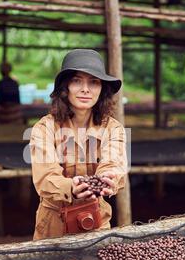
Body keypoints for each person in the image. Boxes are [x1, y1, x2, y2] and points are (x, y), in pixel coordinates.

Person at [29, 49, 128, 240]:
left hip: (96, 221)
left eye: (94, 82)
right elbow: (46, 177)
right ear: (65, 88)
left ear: (102, 89)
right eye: (77, 81)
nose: (86, 89)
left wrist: (108, 178)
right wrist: (71, 187)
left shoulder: (113, 128)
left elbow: (113, 163)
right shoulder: (44, 128)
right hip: (54, 225)